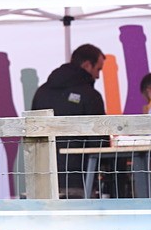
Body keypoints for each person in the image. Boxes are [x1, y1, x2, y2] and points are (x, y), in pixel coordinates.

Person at [30, 43, 111, 197]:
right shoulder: (90, 96)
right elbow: (100, 141)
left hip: (43, 180)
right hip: (79, 181)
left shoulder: (41, 92)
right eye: (98, 69)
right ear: (87, 65)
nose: (98, 76)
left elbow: (32, 136)